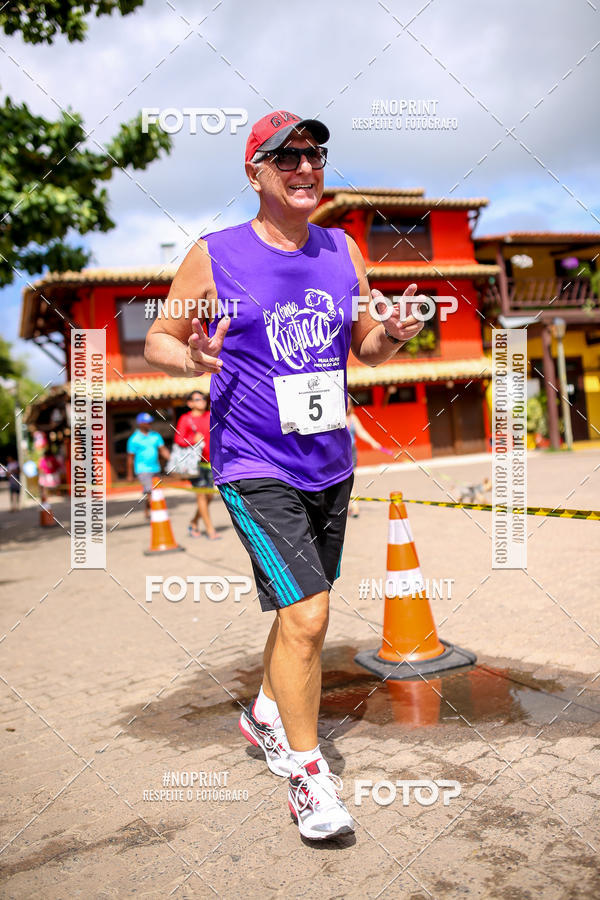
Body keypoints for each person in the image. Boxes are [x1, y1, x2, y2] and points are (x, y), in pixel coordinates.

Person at [144, 109, 425, 840]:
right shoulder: (216, 253)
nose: (306, 168)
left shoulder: (343, 249)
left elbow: (364, 348)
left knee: (297, 610)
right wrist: (195, 359)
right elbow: (160, 340)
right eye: (287, 157)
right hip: (251, 459)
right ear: (255, 174)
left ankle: (268, 710)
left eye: (315, 155)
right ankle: (307, 777)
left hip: (330, 460)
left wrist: (390, 336)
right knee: (308, 616)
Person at [174, 391, 220, 539]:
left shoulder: (209, 416)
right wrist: (192, 439)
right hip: (195, 463)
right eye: (198, 399)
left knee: (209, 496)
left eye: (203, 398)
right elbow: (179, 440)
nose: (202, 401)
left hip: (211, 461)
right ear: (190, 403)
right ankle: (210, 530)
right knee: (202, 495)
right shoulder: (185, 419)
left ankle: (194, 522)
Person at [346, 397, 389, 518]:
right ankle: (350, 506)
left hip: (351, 452)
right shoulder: (337, 418)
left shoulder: (353, 418)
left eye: (349, 403)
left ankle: (354, 507)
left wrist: (373, 442)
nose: (347, 406)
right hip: (339, 454)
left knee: (350, 479)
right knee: (344, 481)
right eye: (345, 402)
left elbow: (361, 432)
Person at [126, 412, 170, 518]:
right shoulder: (134, 439)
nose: (149, 424)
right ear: (140, 423)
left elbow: (163, 450)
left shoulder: (156, 436)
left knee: (154, 492)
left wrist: (174, 462)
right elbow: (130, 458)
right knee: (150, 492)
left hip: (156, 468)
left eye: (150, 422)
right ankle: (157, 514)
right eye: (147, 422)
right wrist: (130, 475)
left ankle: (147, 509)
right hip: (142, 469)